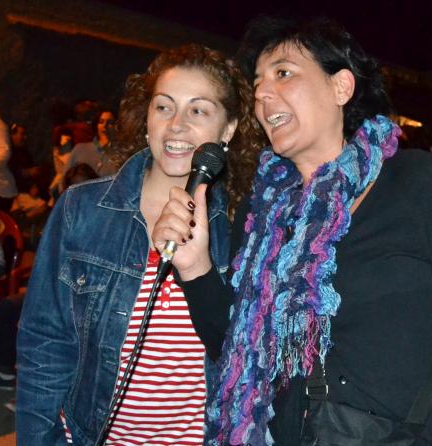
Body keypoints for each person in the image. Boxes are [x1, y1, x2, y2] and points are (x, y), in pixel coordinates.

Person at [153, 16, 432, 445]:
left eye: (283, 73)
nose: (262, 93)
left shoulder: (417, 183)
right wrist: (195, 268)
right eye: (258, 82)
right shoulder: (263, 214)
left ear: (341, 87)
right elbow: (232, 347)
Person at [16, 43, 264, 445]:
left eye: (198, 111)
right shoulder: (82, 210)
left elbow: (250, 358)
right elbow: (45, 344)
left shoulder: (247, 225)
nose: (176, 125)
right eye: (163, 107)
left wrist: (198, 269)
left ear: (228, 130)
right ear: (147, 119)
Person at [62, 110, 118, 181]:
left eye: (110, 122)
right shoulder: (80, 149)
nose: (105, 126)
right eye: (101, 122)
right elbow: (64, 180)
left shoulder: (121, 154)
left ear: (116, 126)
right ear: (96, 125)